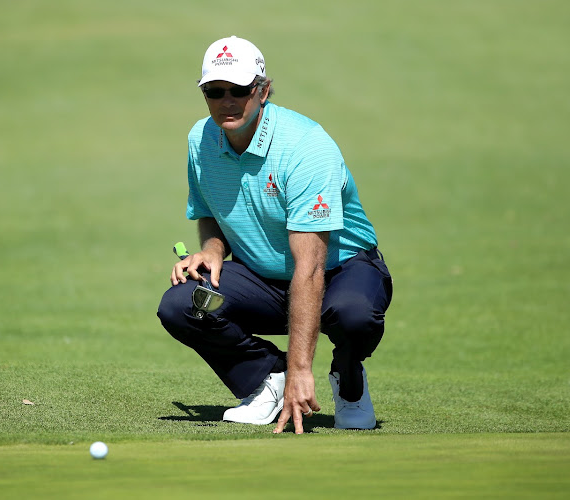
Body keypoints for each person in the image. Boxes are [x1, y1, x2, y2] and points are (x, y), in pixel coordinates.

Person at [157, 35, 393, 434]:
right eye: (215, 91)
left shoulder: (305, 147)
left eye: (240, 90)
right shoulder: (200, 140)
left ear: (263, 90)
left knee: (353, 315)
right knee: (184, 304)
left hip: (338, 270)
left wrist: (305, 368)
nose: (227, 101)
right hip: (263, 280)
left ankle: (348, 379)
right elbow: (210, 213)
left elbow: (311, 267)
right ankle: (267, 376)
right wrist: (213, 251)